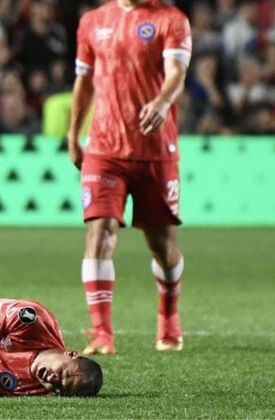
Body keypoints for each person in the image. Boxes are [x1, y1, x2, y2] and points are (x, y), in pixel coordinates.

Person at [67, 0, 192, 355]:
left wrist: (162, 102)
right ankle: (101, 333)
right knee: (99, 233)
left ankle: (168, 316)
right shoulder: (93, 21)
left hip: (155, 150)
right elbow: (84, 81)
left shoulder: (171, 20)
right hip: (104, 149)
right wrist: (73, 133)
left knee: (161, 244)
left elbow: (177, 73)